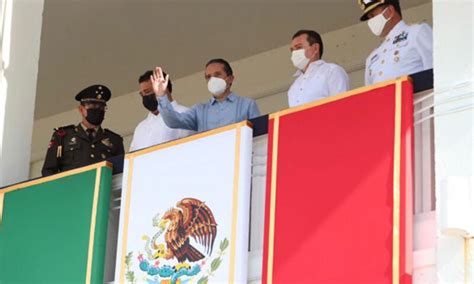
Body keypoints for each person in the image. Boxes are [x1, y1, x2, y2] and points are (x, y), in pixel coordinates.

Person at [151, 59, 260, 132]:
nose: (212, 79)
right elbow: (173, 121)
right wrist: (161, 95)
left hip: (238, 161)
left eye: (217, 74)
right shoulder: (199, 110)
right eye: (208, 77)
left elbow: (258, 135)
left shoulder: (247, 105)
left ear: (230, 79)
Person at [41, 84, 124, 176]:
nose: (97, 110)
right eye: (92, 106)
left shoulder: (115, 140)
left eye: (101, 107)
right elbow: (48, 171)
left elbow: (121, 172)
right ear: (81, 109)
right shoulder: (63, 136)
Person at [359, 0, 433, 85]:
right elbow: (369, 94)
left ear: (390, 11)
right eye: (369, 18)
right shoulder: (371, 57)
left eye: (373, 16)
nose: (371, 21)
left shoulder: (416, 32)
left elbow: (435, 72)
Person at [129, 70, 194, 152]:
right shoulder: (141, 127)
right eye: (142, 94)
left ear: (164, 88)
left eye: (147, 92)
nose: (145, 97)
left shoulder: (185, 114)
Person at [288, 29, 349, 107]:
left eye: (299, 47)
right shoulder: (293, 87)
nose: (294, 53)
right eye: (292, 50)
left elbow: (342, 106)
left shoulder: (332, 71)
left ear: (315, 48)